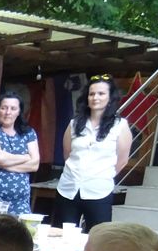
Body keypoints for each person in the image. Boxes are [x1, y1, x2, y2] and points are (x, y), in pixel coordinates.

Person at [56, 75, 133, 230]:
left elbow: (122, 160)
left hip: (99, 191)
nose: (95, 97)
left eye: (101, 93)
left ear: (110, 98)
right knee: (63, 235)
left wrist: (101, 175)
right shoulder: (74, 124)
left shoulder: (120, 125)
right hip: (68, 188)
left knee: (98, 236)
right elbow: (67, 154)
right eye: (92, 94)